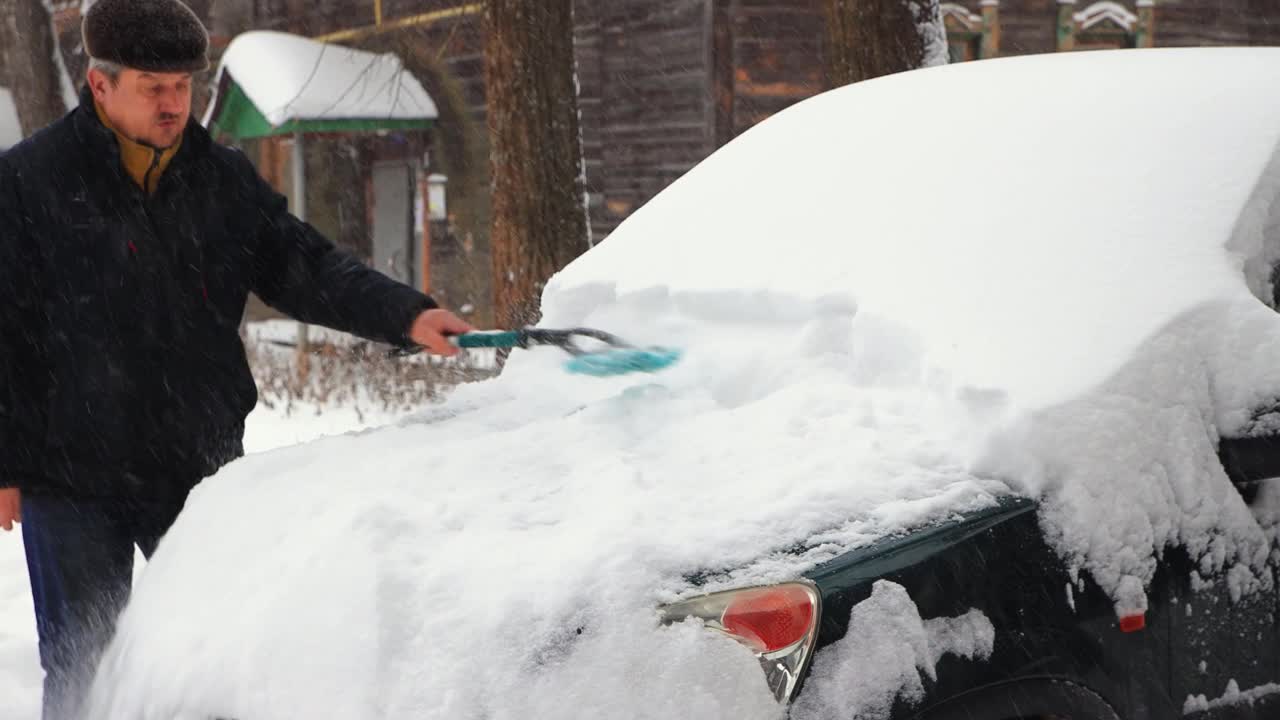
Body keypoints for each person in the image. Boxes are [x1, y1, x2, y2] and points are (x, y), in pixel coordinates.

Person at [0, 1, 472, 717]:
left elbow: (304, 265)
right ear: (101, 86)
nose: (173, 104)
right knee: (83, 676)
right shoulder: (27, 183)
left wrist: (406, 313)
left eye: (183, 87)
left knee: (216, 659)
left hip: (195, 469)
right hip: (71, 478)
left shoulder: (219, 180)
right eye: (153, 88)